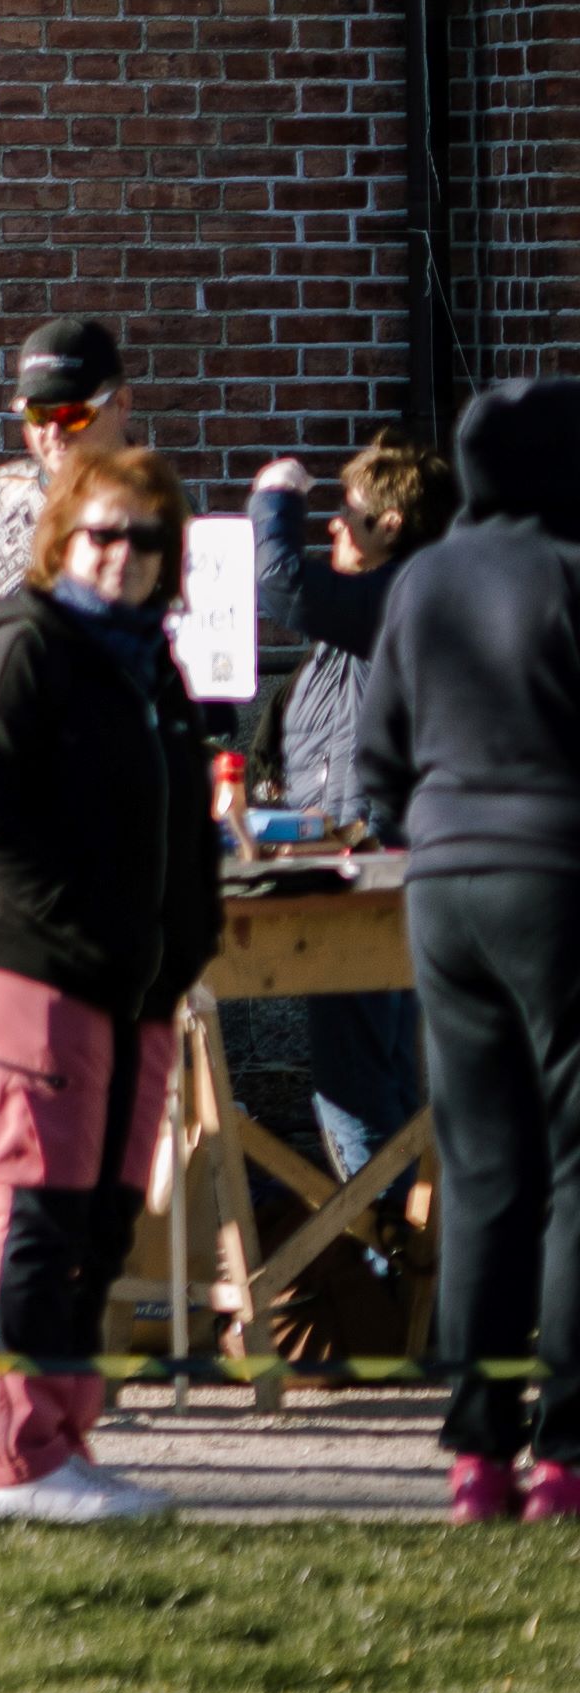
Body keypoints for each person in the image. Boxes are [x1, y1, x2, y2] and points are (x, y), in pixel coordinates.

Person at [0, 433, 216, 1523]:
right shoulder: (27, 643)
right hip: (33, 972)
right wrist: (78, 935)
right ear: (62, 539)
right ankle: (22, 1462)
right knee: (40, 1209)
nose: (123, 557)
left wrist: (185, 942)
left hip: (136, 987)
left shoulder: (153, 665)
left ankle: (68, 1447)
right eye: (102, 535)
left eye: (146, 540)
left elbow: (184, 827)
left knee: (102, 1218)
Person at [358, 373, 580, 1521]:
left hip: (443, 885)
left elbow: (375, 762)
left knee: (486, 1169)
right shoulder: (570, 574)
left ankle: (478, 1452)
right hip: (561, 876)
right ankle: (568, 1453)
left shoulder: (423, 578)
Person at [255, 439, 457, 1183]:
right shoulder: (369, 616)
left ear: (393, 525)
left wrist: (276, 497)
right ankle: (402, 1273)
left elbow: (280, 584)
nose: (332, 527)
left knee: (355, 1084)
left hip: (369, 870)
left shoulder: (402, 597)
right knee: (381, 1074)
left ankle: (378, 1262)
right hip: (351, 864)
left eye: (347, 515)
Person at [0, 319, 126, 632]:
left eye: (73, 415)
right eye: (39, 415)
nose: (54, 433)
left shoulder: (160, 507)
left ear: (120, 405)